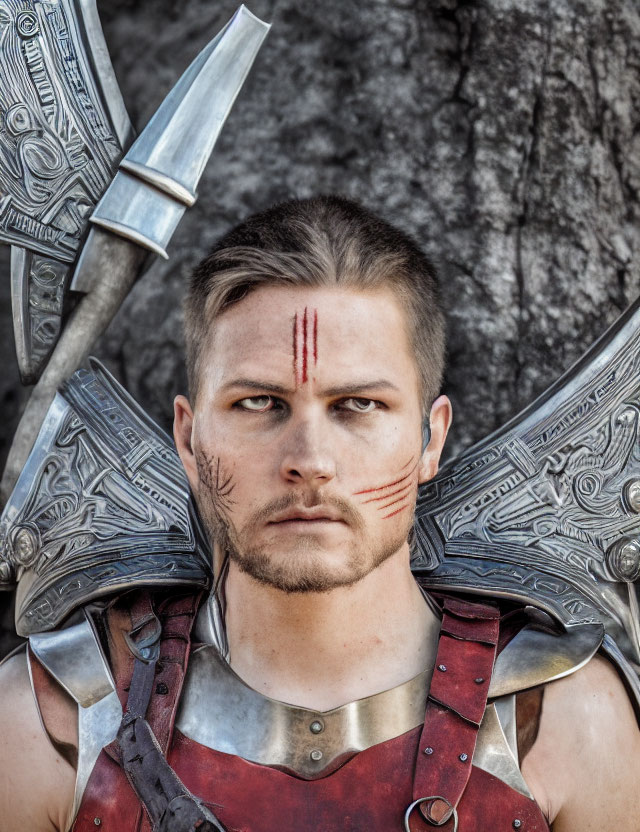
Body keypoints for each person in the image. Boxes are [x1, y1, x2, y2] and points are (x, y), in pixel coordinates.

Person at [0, 196, 639, 832]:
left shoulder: (563, 721)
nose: (309, 460)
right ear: (191, 441)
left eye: (356, 404)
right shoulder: (51, 724)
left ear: (430, 440)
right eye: (259, 402)